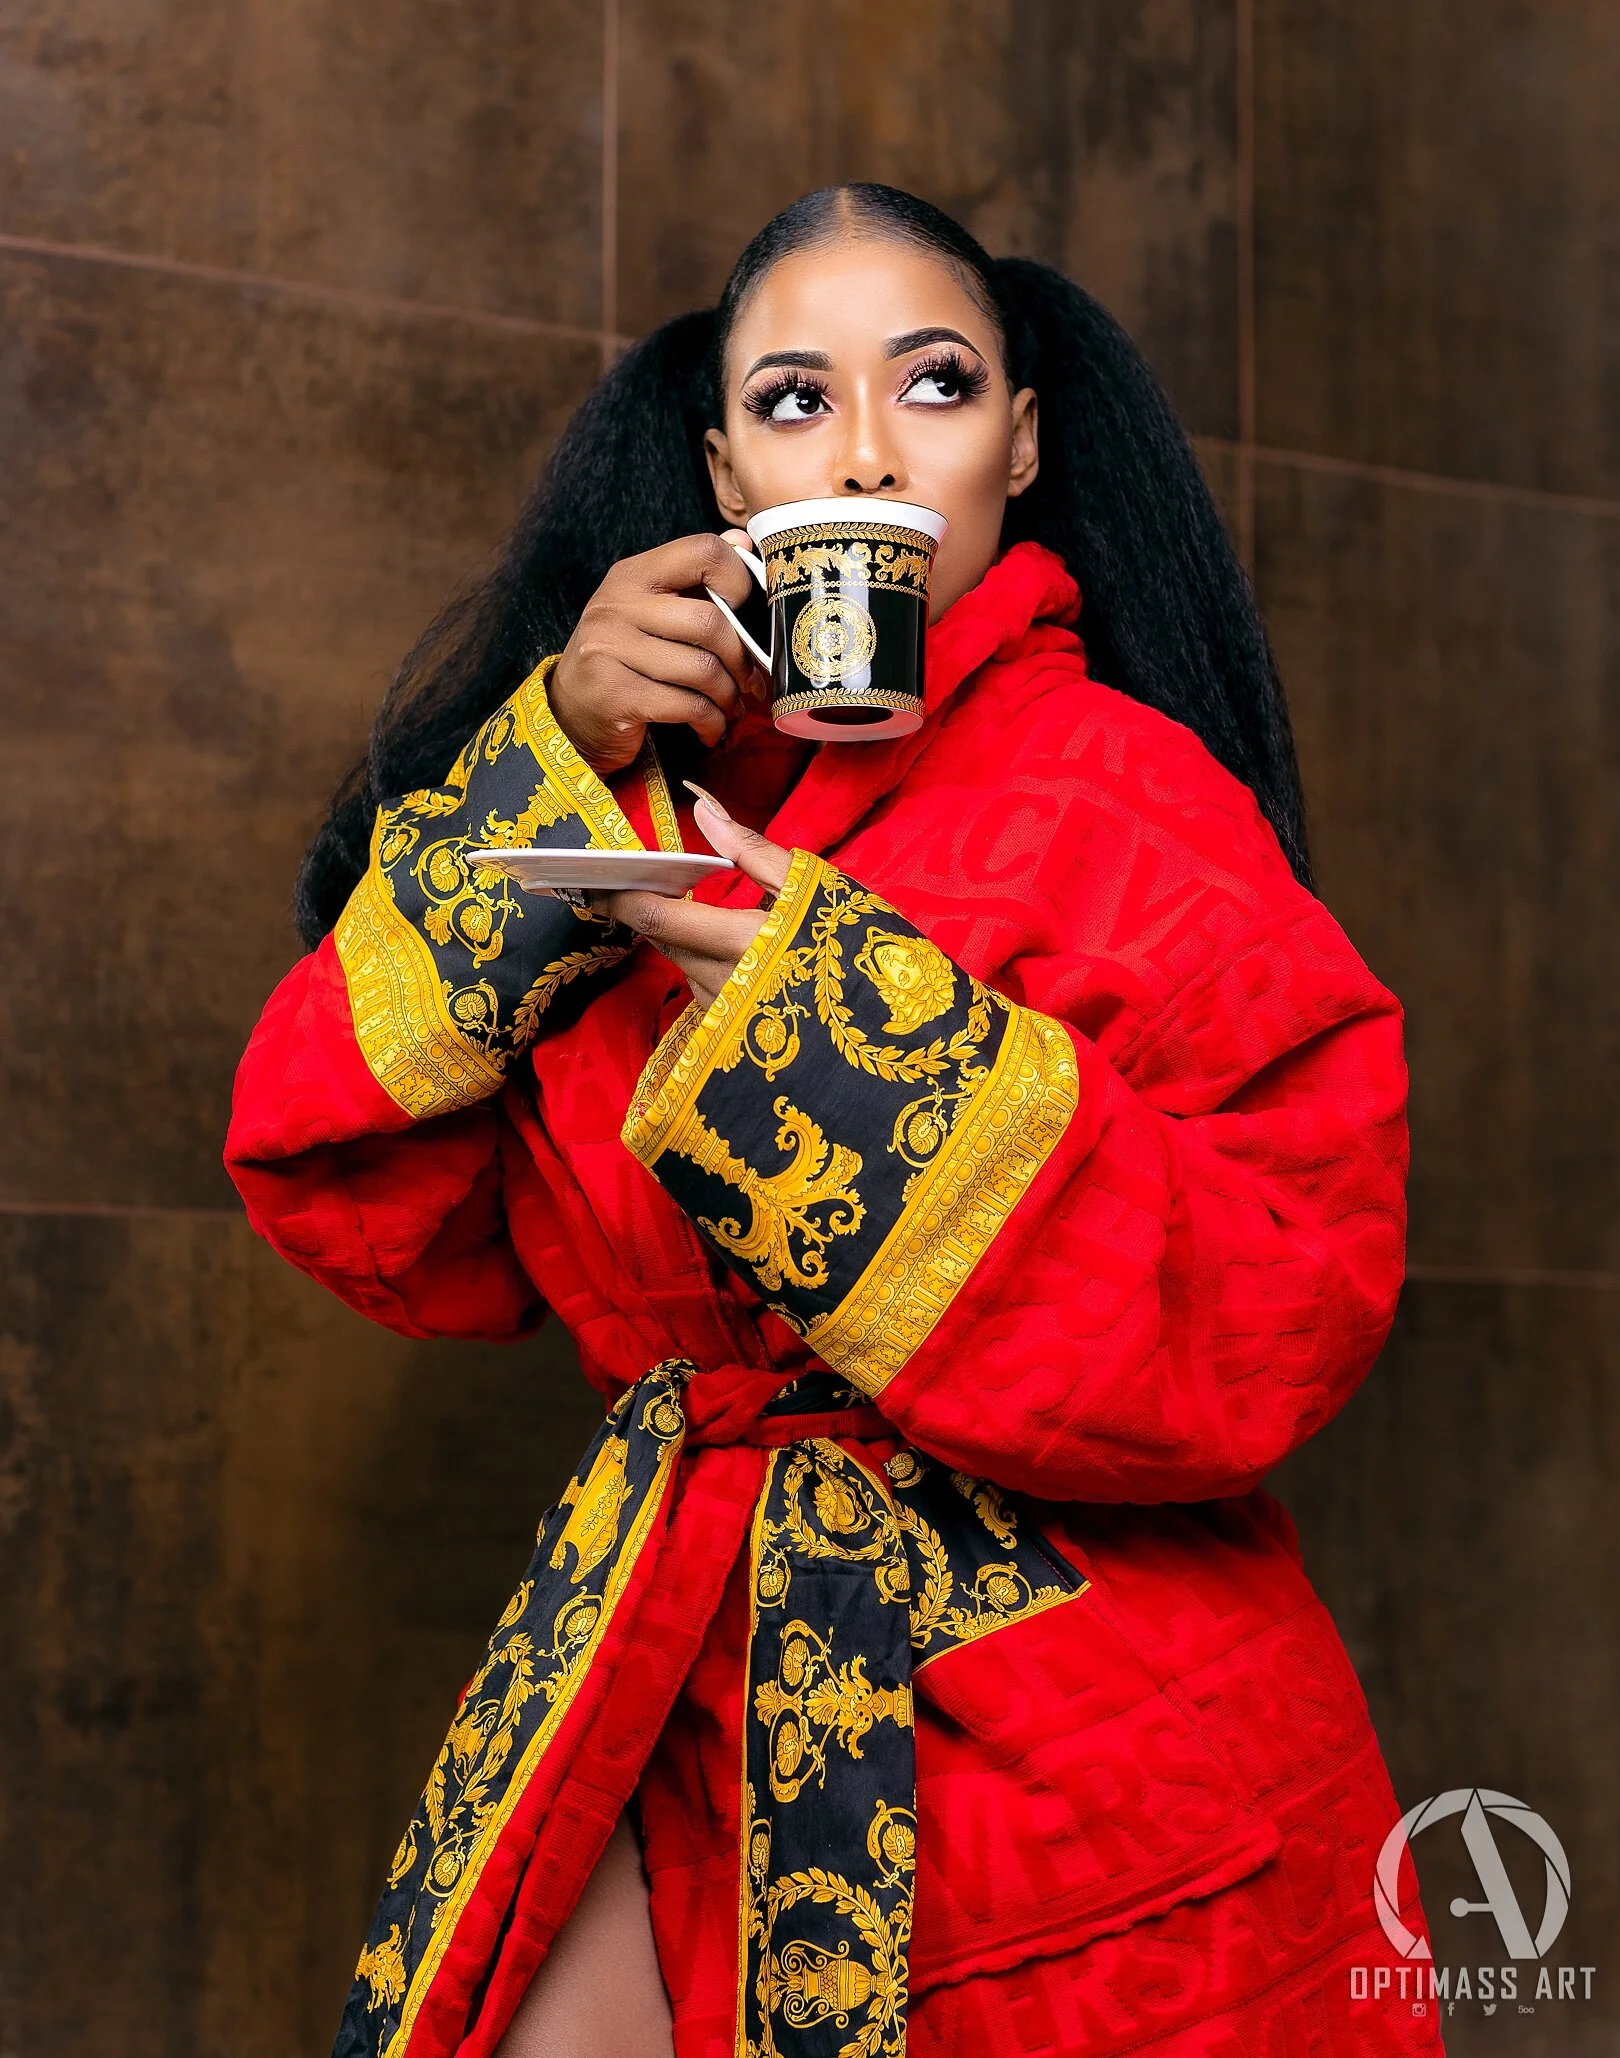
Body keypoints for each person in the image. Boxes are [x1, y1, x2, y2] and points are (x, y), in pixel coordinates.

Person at [226, 183, 1441, 2058]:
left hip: (1068, 1707)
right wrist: (550, 750)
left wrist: (815, 1020)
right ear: (726, 473)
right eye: (796, 399)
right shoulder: (618, 792)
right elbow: (351, 1193)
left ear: (1021, 442)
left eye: (932, 383)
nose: (866, 447)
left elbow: (1294, 1290)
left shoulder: (1124, 789)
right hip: (669, 1637)